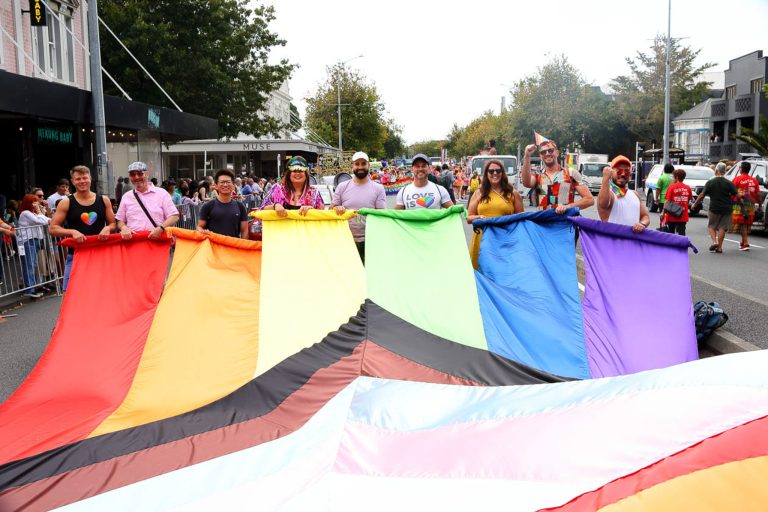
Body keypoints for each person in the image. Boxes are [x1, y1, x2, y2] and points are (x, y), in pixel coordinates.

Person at [49, 165, 115, 291]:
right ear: (73, 181)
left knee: (103, 293)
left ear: (90, 178)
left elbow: (113, 224)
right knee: (70, 295)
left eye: (84, 178)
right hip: (76, 256)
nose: (82, 181)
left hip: (101, 255)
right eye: (78, 179)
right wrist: (72, 231)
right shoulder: (66, 202)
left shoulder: (104, 200)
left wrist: (108, 228)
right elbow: (52, 228)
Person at [331, 151, 387, 263]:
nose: (360, 167)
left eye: (363, 163)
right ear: (352, 166)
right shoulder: (342, 187)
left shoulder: (378, 188)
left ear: (368, 166)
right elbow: (331, 210)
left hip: (370, 241)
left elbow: (381, 215)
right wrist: (336, 208)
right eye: (357, 164)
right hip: (346, 239)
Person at [467, 159, 524, 269]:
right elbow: (469, 218)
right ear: (486, 173)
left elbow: (521, 218)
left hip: (505, 239)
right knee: (483, 272)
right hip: (482, 239)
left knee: (503, 271)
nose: (495, 174)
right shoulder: (479, 193)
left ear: (502, 173)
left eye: (498, 171)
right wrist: (479, 217)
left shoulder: (513, 193)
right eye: (491, 171)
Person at [521, 139, 594, 214]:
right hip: (543, 223)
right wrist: (527, 156)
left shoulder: (571, 173)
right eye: (543, 152)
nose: (547, 154)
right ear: (540, 156)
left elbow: (589, 199)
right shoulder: (537, 175)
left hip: (564, 222)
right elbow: (527, 183)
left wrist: (568, 207)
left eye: (550, 150)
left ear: (557, 153)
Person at [116, 161, 179, 240]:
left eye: (140, 173)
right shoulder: (126, 196)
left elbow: (174, 216)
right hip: (133, 244)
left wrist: (160, 229)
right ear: (129, 177)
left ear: (147, 174)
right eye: (132, 174)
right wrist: (124, 228)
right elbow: (120, 220)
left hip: (157, 242)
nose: (136, 177)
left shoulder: (161, 193)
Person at [691, 162, 738, 253]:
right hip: (726, 208)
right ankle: (719, 247)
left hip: (714, 208)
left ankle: (714, 241)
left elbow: (701, 195)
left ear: (716, 170)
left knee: (712, 226)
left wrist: (695, 204)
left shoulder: (710, 182)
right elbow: (736, 194)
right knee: (722, 227)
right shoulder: (728, 183)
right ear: (724, 171)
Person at [596, 155, 650, 232]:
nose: (623, 174)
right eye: (619, 171)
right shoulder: (609, 193)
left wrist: (642, 224)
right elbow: (603, 204)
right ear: (611, 172)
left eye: (627, 171)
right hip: (610, 242)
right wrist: (605, 178)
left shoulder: (635, 194)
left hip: (631, 242)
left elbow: (645, 217)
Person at [197, 169, 249, 238]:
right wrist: (203, 232)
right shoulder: (207, 206)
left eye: (228, 182)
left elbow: (244, 231)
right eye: (222, 182)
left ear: (233, 185)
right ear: (216, 186)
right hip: (213, 247)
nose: (225, 185)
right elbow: (199, 227)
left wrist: (244, 247)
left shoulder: (240, 206)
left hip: (233, 247)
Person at [17, 194, 51, 298]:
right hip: (28, 241)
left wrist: (41, 213)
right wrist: (40, 212)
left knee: (33, 264)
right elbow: (41, 221)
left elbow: (46, 220)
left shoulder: (33, 213)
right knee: (29, 265)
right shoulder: (26, 213)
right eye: (34, 202)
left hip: (34, 240)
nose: (36, 204)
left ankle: (31, 288)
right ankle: (29, 290)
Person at [730, 161, 761, 251]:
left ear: (741, 169)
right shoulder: (754, 180)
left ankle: (746, 243)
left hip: (739, 204)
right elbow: (758, 194)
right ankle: (743, 242)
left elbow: (731, 191)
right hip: (750, 204)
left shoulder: (737, 179)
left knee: (742, 223)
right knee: (746, 223)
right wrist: (759, 205)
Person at [663, 168, 692, 236]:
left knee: (671, 234)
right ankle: (681, 246)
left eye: (673, 177)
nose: (673, 179)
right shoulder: (688, 188)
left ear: (677, 177)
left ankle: (672, 246)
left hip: (672, 214)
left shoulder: (672, 187)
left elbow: (667, 201)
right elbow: (688, 200)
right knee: (682, 234)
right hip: (683, 214)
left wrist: (663, 212)